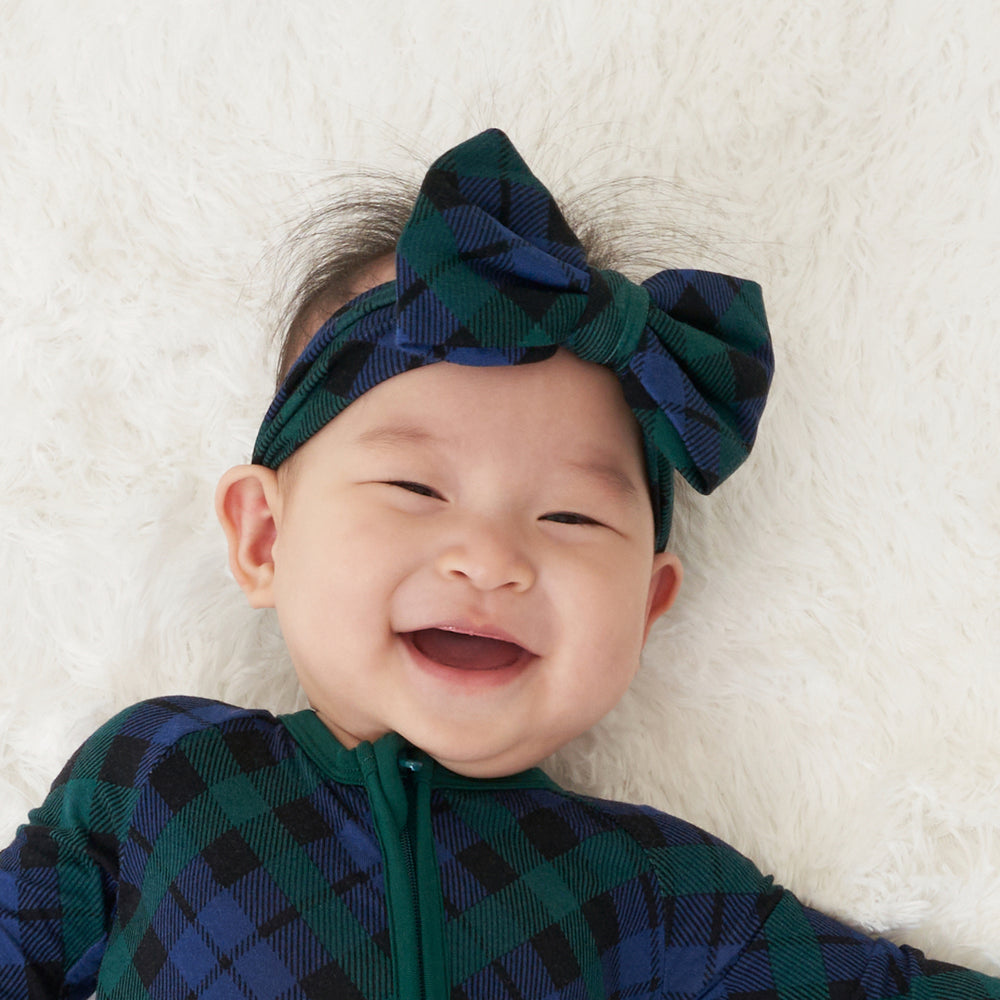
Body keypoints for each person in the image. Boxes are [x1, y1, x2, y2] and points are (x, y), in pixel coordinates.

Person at [1, 129, 996, 999]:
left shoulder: (643, 886)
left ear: (645, 607)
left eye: (568, 515)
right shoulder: (166, 775)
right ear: (265, 536)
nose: (489, 558)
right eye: (414, 490)